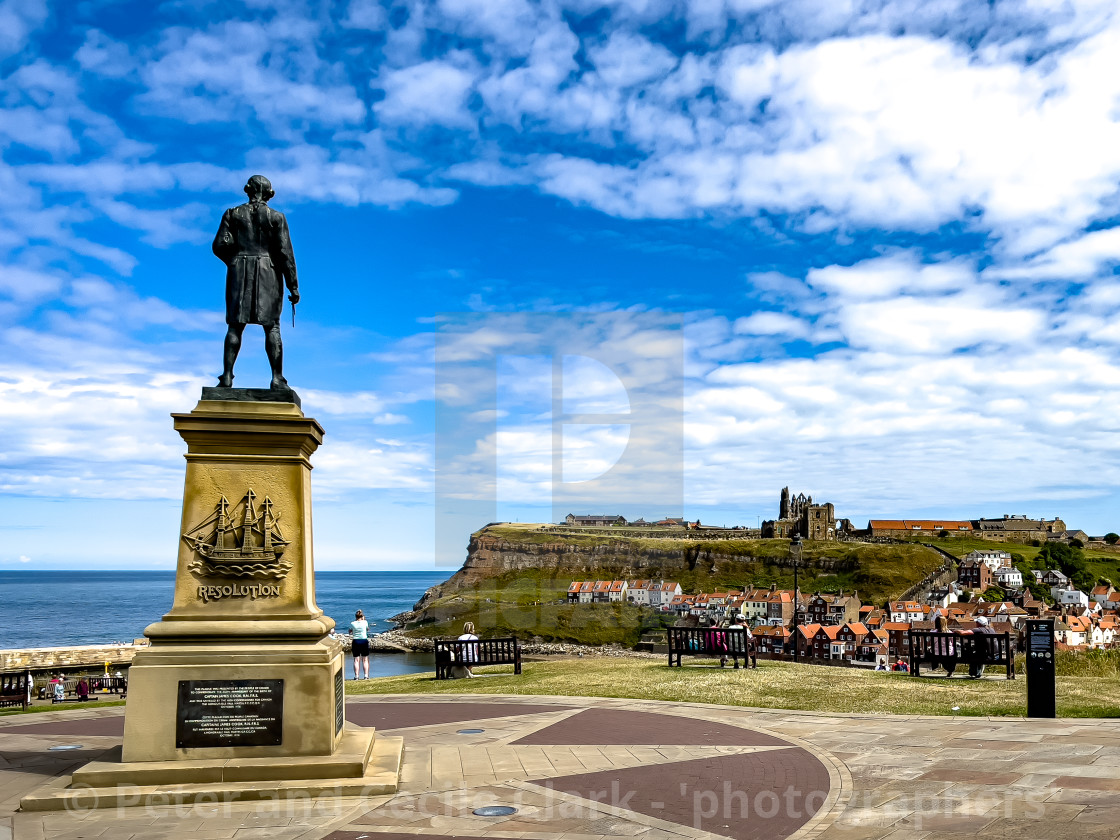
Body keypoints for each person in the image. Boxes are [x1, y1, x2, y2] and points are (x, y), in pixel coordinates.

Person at [212, 175, 300, 390]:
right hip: (267, 271)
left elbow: (219, 245)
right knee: (272, 327)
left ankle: (227, 376)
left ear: (247, 190)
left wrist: (235, 261)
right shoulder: (276, 217)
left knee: (235, 326)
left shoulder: (232, 214)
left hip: (238, 270)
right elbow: (284, 252)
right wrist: (293, 285)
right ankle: (277, 378)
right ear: (270, 193)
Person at [930, 612, 957, 677]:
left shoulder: (932, 633)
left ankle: (935, 666)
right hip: (948, 654)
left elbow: (930, 643)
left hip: (936, 654)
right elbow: (952, 643)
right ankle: (951, 671)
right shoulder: (950, 633)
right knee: (955, 653)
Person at [350, 610, 370, 679]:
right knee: (365, 659)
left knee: (356, 660)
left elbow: (350, 631)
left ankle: (356, 676)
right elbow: (367, 629)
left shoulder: (352, 623)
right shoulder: (365, 622)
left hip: (356, 641)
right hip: (364, 641)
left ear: (355, 616)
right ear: (362, 616)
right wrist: (363, 619)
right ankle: (366, 675)